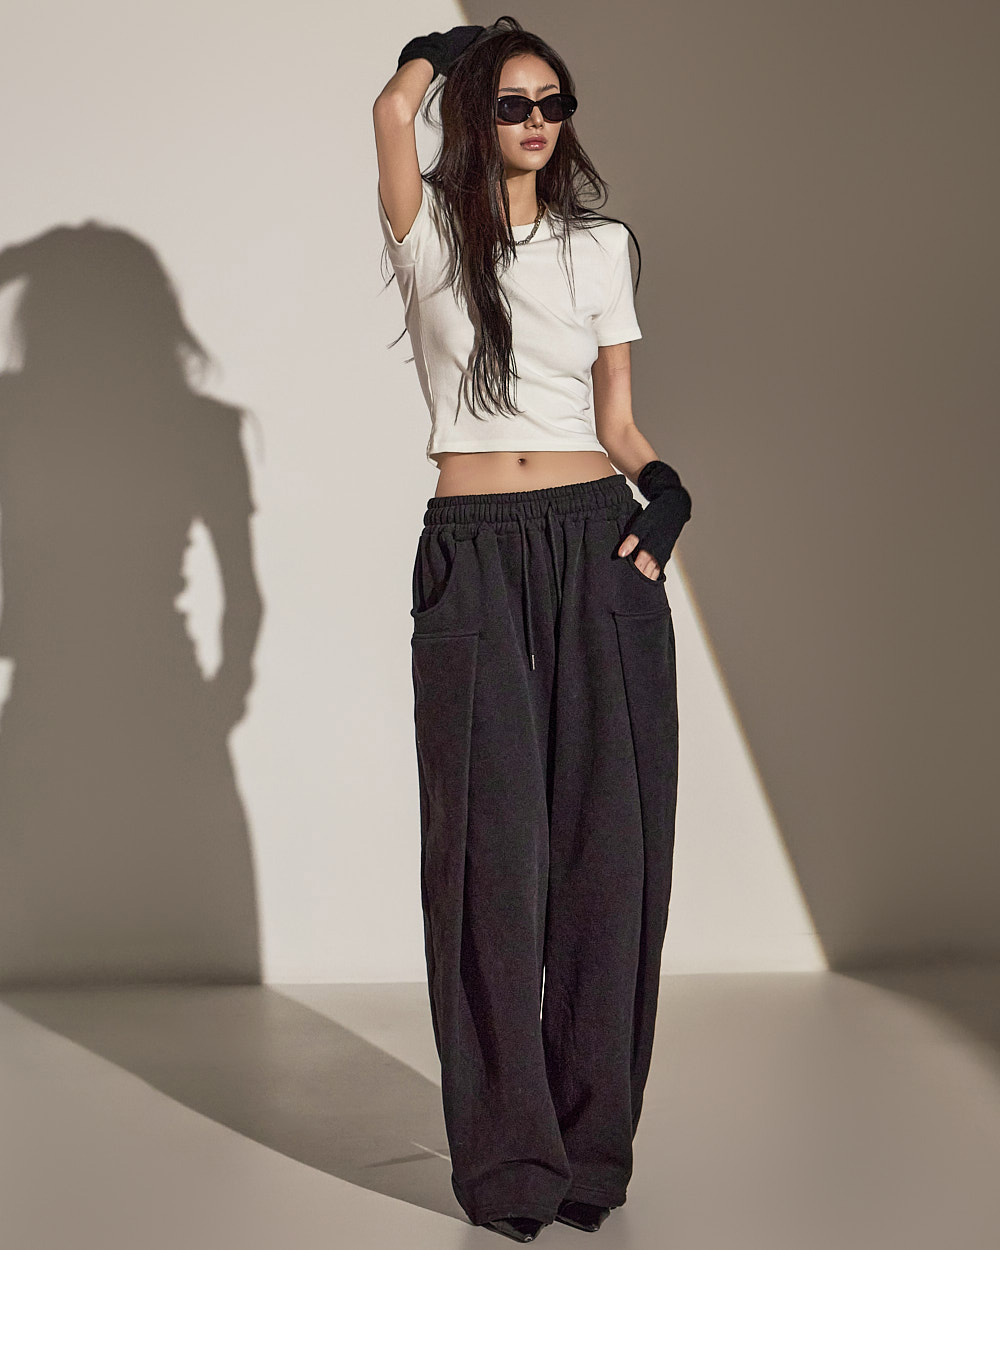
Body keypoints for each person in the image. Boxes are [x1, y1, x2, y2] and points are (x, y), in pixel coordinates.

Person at [372, 16, 692, 1244]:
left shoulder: (599, 247)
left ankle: (590, 1152)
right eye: (511, 103)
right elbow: (389, 117)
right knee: (486, 862)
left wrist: (664, 491)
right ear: (476, 114)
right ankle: (509, 1165)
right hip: (472, 555)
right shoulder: (428, 238)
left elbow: (618, 423)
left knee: (610, 855)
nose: (537, 123)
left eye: (552, 103)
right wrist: (438, 51)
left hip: (594, 541)